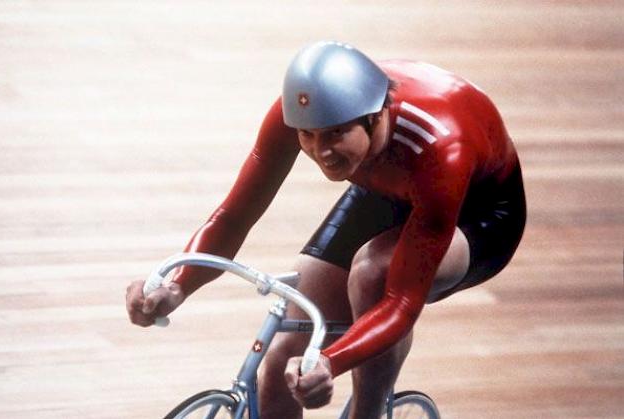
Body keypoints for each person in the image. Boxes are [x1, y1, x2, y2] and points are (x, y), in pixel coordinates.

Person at [125, 41, 526, 418]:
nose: (322, 151)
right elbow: (234, 216)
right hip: (388, 184)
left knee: (373, 275)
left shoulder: (439, 147)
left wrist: (330, 363)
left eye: (336, 133)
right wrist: (178, 285)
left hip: (478, 213)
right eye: (309, 136)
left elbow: (400, 303)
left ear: (374, 117)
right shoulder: (295, 115)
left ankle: (366, 413)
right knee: (282, 361)